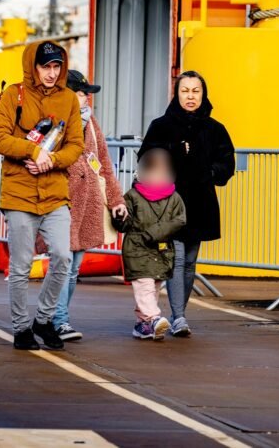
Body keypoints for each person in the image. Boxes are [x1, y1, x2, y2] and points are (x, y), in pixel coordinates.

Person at [0, 41, 84, 351]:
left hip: (55, 193)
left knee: (63, 257)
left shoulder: (68, 98)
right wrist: (33, 150)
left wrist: (51, 159)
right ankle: (20, 328)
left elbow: (76, 145)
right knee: (20, 265)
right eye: (46, 66)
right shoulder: (14, 94)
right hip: (19, 194)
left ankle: (43, 319)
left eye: (56, 66)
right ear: (33, 67)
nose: (51, 73)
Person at [139, 70, 235, 337]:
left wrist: (210, 171)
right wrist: (171, 155)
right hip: (169, 203)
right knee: (177, 259)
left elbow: (227, 162)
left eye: (195, 91)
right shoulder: (161, 125)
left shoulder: (215, 129)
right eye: (185, 90)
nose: (190, 96)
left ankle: (179, 314)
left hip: (201, 201)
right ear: (176, 93)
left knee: (190, 261)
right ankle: (179, 317)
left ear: (203, 94)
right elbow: (146, 159)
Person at [50, 70, 127, 342]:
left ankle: (53, 317)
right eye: (82, 93)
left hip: (89, 204)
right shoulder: (53, 121)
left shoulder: (91, 123)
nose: (87, 99)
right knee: (63, 263)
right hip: (63, 202)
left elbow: (104, 163)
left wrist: (116, 200)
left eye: (87, 94)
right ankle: (58, 320)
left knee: (72, 269)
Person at [115, 147, 186, 340]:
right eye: (155, 171)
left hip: (161, 252)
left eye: (163, 171)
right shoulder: (133, 196)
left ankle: (142, 324)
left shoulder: (174, 198)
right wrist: (120, 217)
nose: (159, 175)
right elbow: (124, 225)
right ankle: (154, 318)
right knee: (144, 287)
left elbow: (180, 220)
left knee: (152, 289)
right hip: (137, 250)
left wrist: (154, 233)